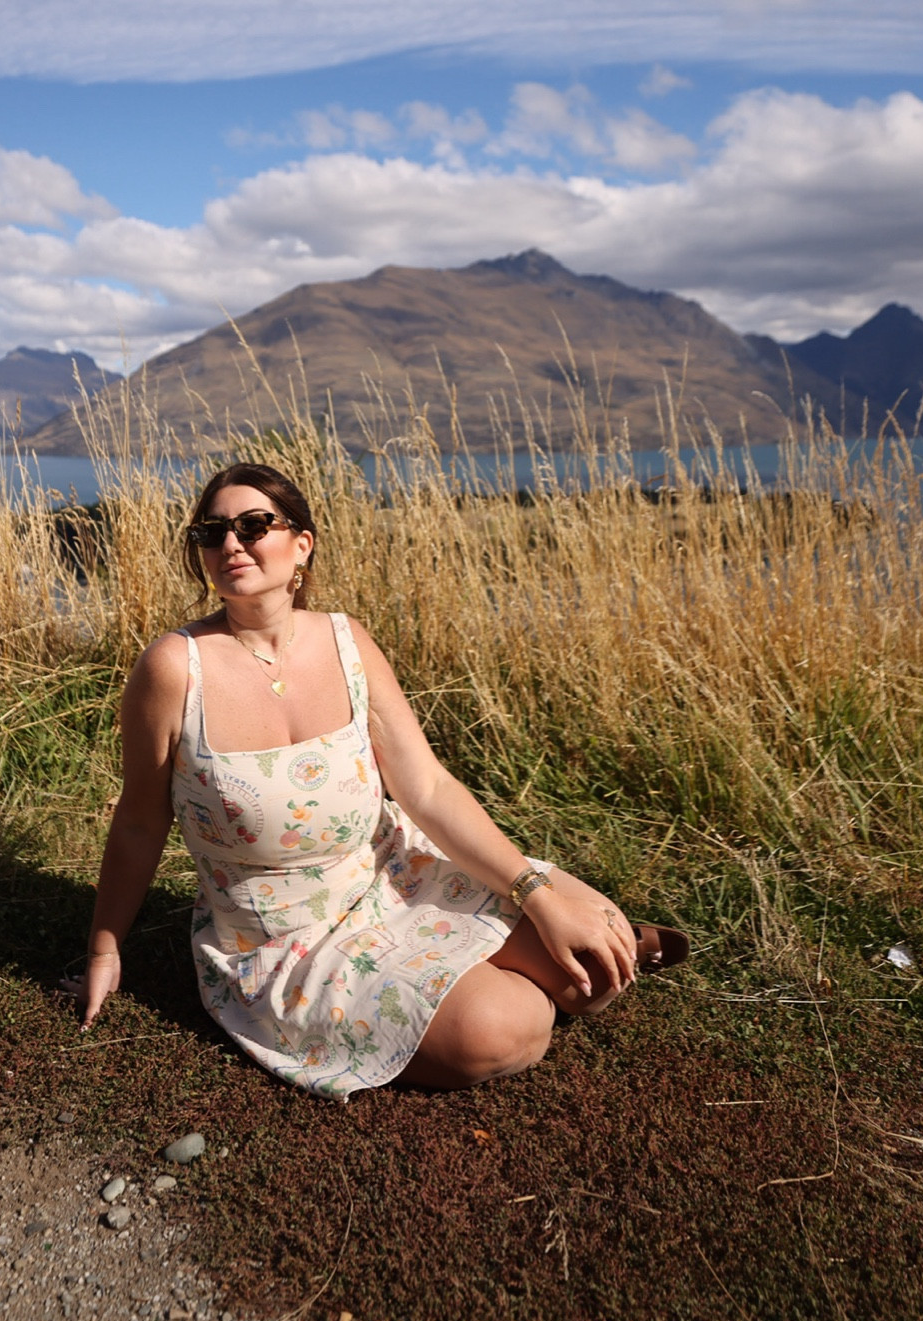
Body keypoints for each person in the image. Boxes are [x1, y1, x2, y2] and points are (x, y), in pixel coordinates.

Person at [77, 461, 686, 1100]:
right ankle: (485, 983)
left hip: (393, 872)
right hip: (289, 938)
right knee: (505, 1028)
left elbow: (427, 789)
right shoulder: (175, 668)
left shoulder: (347, 641)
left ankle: (498, 964)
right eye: (212, 531)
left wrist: (537, 897)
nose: (231, 543)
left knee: (593, 955)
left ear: (301, 544)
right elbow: (140, 821)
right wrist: (103, 951)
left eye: (254, 525)